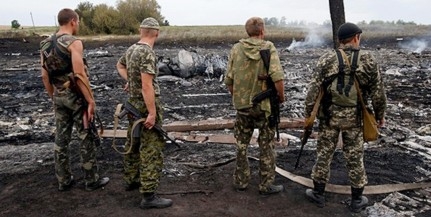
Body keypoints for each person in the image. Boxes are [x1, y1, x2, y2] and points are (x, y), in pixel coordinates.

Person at [303, 22, 387, 212]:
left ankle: (318, 193)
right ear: (356, 37)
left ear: (340, 40)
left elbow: (313, 91)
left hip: (329, 117)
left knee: (324, 153)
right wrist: (380, 115)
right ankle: (357, 200)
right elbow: (378, 93)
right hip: (355, 119)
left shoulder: (326, 59)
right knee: (355, 156)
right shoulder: (369, 60)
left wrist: (309, 114)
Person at [39, 8, 109, 191]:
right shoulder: (73, 43)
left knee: (61, 139)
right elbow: (79, 74)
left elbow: (45, 77)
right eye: (77, 22)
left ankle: (63, 180)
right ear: (72, 21)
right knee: (85, 134)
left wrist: (53, 96)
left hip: (59, 96)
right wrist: (90, 100)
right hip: (77, 97)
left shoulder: (45, 44)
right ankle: (91, 179)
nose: (78, 25)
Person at [224, 17, 285, 195]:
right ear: (262, 31)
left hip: (242, 107)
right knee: (266, 145)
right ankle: (266, 184)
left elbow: (229, 80)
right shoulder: (268, 48)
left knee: (241, 144)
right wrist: (281, 98)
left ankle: (240, 181)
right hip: (264, 107)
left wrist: (238, 97)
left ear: (247, 31)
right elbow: (278, 77)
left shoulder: (236, 49)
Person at [116, 17, 172, 209]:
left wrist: (131, 82)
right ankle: (148, 195)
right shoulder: (147, 53)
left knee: (133, 142)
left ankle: (131, 180)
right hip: (143, 107)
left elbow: (120, 65)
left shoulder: (132, 49)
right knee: (151, 148)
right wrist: (152, 113)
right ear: (156, 32)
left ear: (141, 31)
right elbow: (147, 86)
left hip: (132, 106)